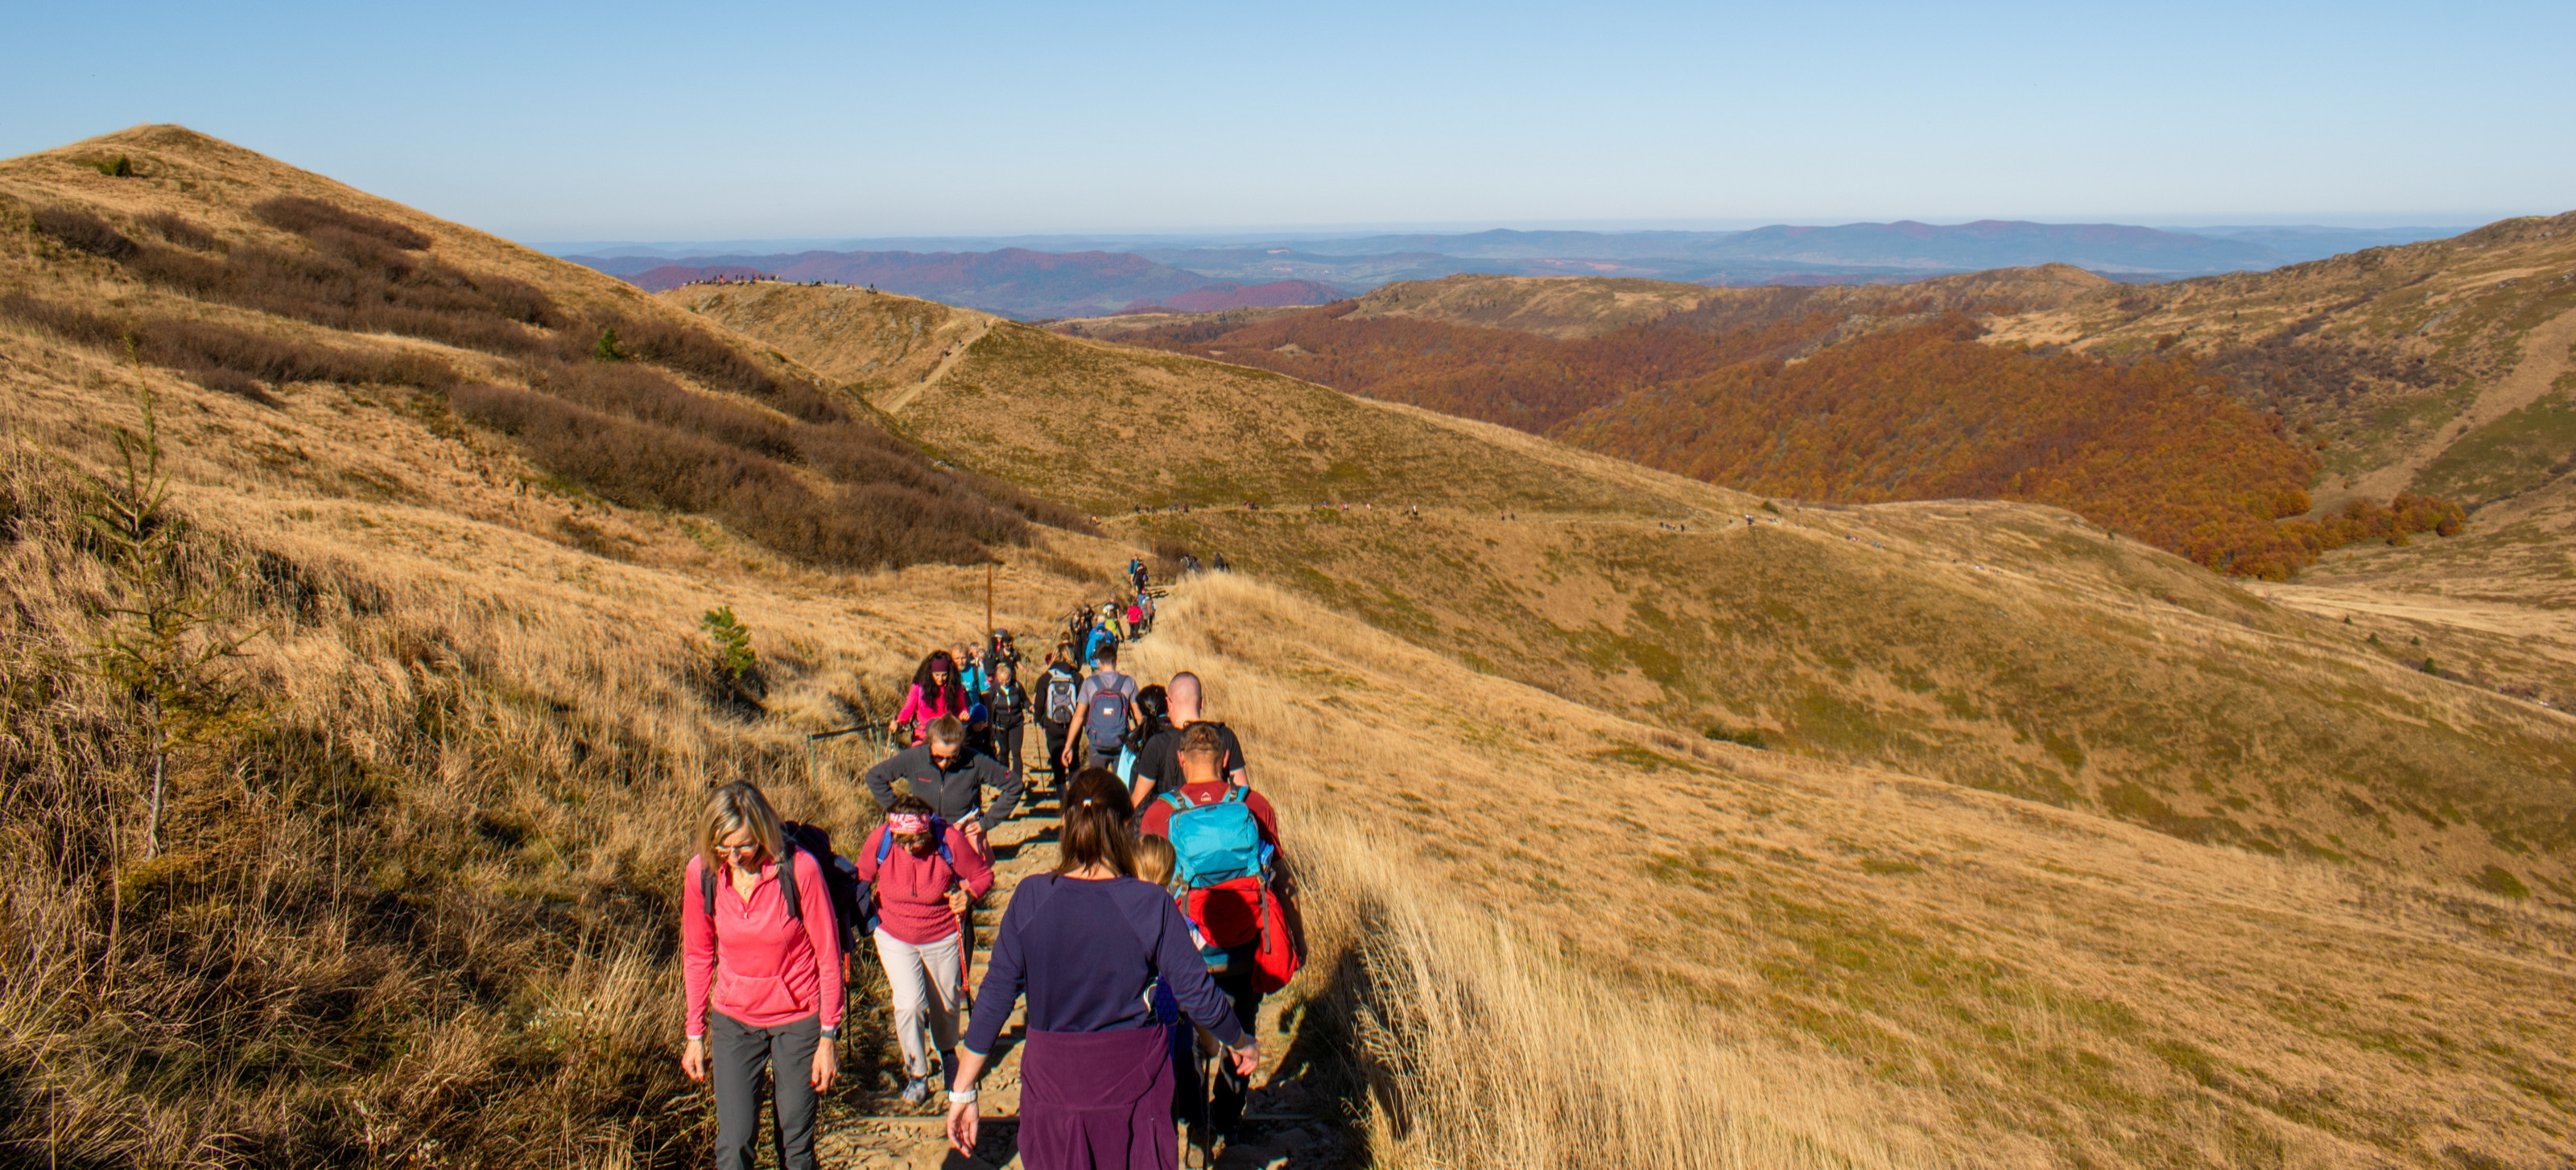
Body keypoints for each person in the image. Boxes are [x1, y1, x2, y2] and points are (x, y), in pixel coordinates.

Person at [944, 770, 1257, 1169]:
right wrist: (1239, 1039)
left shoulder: (1031, 896)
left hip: (1052, 1080)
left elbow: (996, 997)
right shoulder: (1150, 902)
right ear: (1126, 827)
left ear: (1067, 824)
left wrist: (963, 1090)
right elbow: (1196, 992)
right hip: (1134, 1079)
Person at [1137, 725, 1294, 1147]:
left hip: (1185, 948)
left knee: (1184, 1030)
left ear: (1182, 761)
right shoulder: (1255, 805)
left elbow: (1146, 888)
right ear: (1226, 760)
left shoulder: (1160, 814)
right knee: (1242, 1025)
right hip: (1247, 942)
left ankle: (1191, 1115)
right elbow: (1280, 879)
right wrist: (1296, 938)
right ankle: (1227, 1116)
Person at [682, 782, 843, 1170]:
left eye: (745, 846)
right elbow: (698, 954)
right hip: (734, 1019)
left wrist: (827, 1036)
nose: (734, 857)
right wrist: (694, 1033)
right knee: (734, 1145)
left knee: (795, 1143)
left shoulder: (799, 868)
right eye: (723, 846)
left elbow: (828, 955)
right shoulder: (701, 872)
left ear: (764, 833)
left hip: (798, 1018)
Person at [852, 794, 993, 1104]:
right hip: (893, 933)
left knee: (946, 1003)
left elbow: (983, 875)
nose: (907, 848)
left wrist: (968, 895)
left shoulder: (948, 840)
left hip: (941, 933)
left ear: (927, 832)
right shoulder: (881, 841)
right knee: (909, 1004)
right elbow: (862, 876)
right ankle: (917, 1074)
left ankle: (947, 1052)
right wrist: (862, 913)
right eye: (901, 841)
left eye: (914, 842)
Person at [865, 715, 1025, 859]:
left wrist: (987, 822)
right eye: (938, 757)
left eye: (952, 758)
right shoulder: (914, 757)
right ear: (928, 745)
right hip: (922, 838)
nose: (944, 763)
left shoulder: (976, 761)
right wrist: (901, 812)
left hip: (961, 838)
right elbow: (875, 777)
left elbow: (1014, 785)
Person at [1126, 671, 1249, 807]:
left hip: (1173, 825)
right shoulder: (1225, 736)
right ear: (1201, 702)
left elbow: (1137, 802)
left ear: (1168, 703)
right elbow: (1243, 793)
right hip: (1218, 823)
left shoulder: (1157, 744)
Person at [1062, 644, 1139, 773]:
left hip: (1096, 745)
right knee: (1121, 788)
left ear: (1098, 662)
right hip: (1121, 743)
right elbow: (1138, 716)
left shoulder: (1089, 683)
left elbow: (1079, 716)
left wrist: (1068, 746)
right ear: (1116, 661)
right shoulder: (1128, 682)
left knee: (1098, 786)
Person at [893, 651, 969, 745]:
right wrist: (900, 722)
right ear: (930, 673)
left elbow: (961, 707)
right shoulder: (918, 687)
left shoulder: (955, 688)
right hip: (923, 737)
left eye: (944, 675)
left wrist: (963, 714)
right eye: (937, 675)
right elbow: (908, 708)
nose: (940, 679)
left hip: (947, 736)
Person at [1034, 647, 1082, 793]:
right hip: (1073, 725)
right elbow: (1083, 704)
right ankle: (1075, 796)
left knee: (1057, 762)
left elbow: (1038, 705)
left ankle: (1063, 799)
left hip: (1052, 726)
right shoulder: (1077, 677)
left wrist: (1043, 722)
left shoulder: (1045, 678)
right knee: (1074, 760)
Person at [985, 660, 1030, 782]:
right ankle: (1005, 780)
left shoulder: (1016, 686)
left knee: (1016, 752)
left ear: (1011, 677)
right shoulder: (993, 689)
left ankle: (1017, 781)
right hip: (1001, 723)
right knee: (1004, 751)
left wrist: (1030, 707)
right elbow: (988, 705)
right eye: (1001, 680)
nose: (1004, 683)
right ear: (997, 678)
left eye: (1007, 679)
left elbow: (1025, 700)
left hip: (1017, 722)